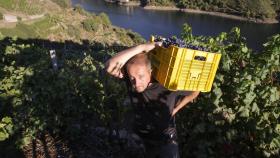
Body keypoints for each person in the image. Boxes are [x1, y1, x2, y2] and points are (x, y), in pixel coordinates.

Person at [105, 42, 199, 158]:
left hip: (166, 137)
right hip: (143, 135)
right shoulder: (130, 78)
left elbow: (195, 91)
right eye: (132, 78)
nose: (136, 83)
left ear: (150, 71)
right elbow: (110, 66)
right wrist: (141, 48)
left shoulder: (167, 84)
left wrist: (176, 109)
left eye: (141, 76)